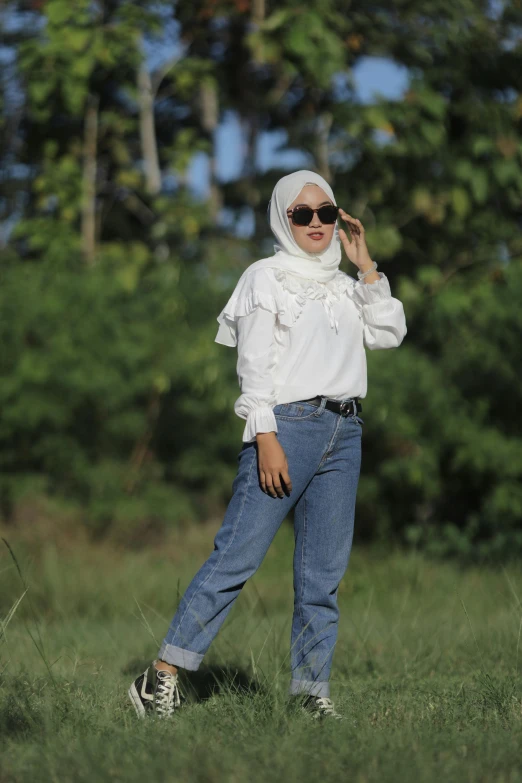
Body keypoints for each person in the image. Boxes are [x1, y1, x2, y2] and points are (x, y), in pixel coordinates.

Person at [128, 169, 407, 721]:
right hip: (285, 428)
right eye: (302, 214)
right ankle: (159, 677)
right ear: (283, 219)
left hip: (345, 432)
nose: (316, 224)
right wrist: (266, 437)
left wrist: (367, 265)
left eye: (326, 213)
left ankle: (309, 695)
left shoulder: (348, 285)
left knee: (322, 578)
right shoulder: (265, 277)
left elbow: (389, 334)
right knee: (236, 556)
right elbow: (253, 368)